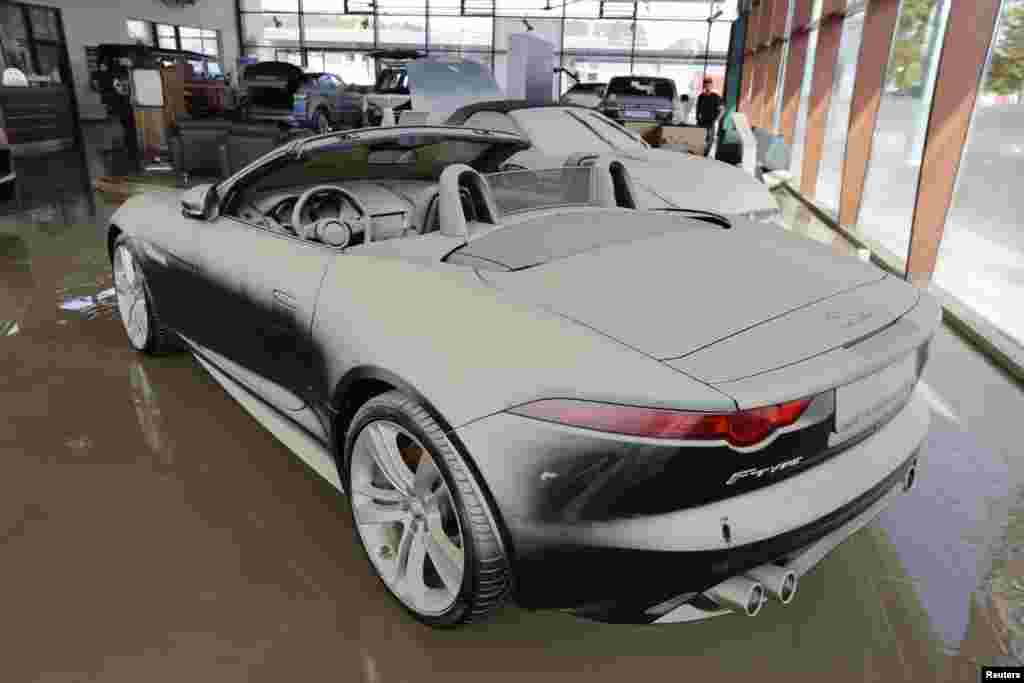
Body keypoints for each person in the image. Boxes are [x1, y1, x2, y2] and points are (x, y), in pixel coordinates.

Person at [696, 77, 722, 156]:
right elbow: (698, 108)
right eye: (706, 85)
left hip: (711, 122)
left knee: (709, 139)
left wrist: (716, 120)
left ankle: (705, 155)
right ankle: (699, 153)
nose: (707, 87)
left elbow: (722, 110)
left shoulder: (716, 97)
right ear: (704, 86)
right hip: (701, 121)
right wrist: (697, 117)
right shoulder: (701, 96)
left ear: (711, 86)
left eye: (709, 85)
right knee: (700, 138)